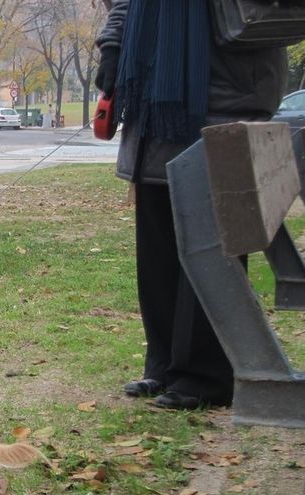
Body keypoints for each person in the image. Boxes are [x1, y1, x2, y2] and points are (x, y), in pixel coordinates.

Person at [94, 0, 287, 409]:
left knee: (214, 245)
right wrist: (113, 47)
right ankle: (163, 364)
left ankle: (208, 375)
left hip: (224, 90)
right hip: (154, 100)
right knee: (159, 246)